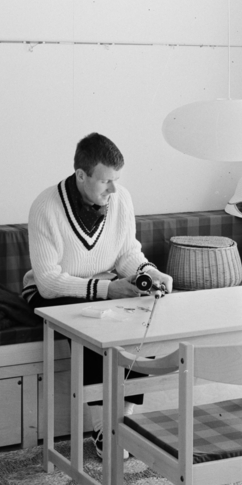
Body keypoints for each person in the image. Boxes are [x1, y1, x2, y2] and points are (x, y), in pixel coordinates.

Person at [22, 132, 174, 459]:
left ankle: (124, 421)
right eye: (106, 181)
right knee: (94, 331)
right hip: (54, 292)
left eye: (117, 180)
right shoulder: (45, 206)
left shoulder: (121, 199)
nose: (113, 190)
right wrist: (107, 290)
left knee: (142, 323)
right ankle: (102, 427)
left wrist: (150, 272)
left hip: (103, 287)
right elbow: (47, 282)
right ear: (81, 175)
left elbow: (127, 255)